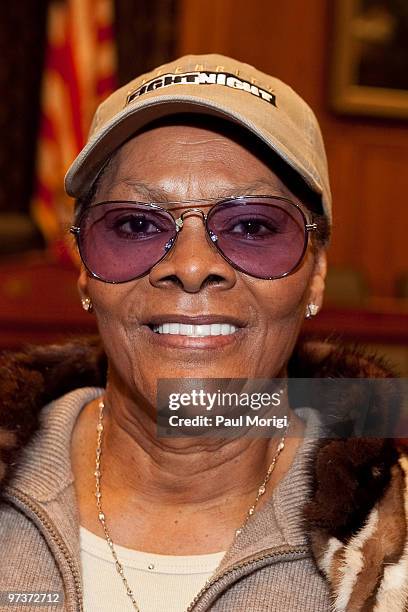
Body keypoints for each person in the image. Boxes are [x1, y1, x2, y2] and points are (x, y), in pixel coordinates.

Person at [0, 54, 406, 612]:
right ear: (83, 272)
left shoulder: (395, 536)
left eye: (253, 226)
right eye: (137, 224)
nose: (192, 266)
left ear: (315, 277)